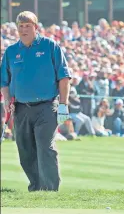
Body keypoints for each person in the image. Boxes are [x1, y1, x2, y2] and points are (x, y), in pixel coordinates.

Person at [0, 11, 72, 191]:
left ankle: (50, 190)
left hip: (47, 106)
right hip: (21, 108)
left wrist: (63, 105)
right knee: (25, 150)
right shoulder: (11, 51)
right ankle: (36, 187)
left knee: (44, 146)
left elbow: (63, 77)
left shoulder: (50, 46)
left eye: (27, 26)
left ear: (35, 27)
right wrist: (7, 100)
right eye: (21, 27)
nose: (24, 30)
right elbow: (4, 82)